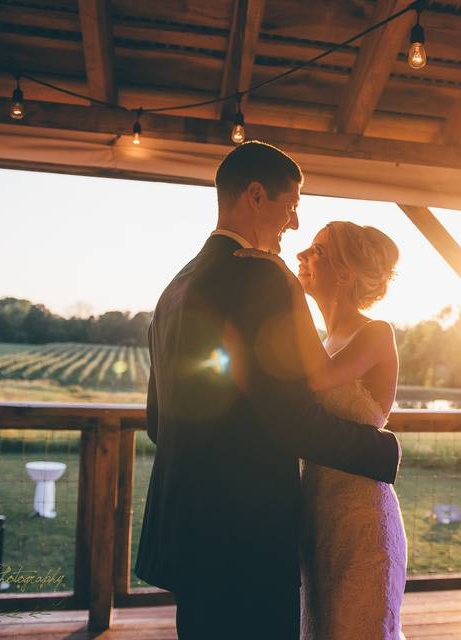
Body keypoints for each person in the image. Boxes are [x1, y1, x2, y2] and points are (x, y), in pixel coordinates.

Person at [134, 141, 402, 639]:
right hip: (246, 536)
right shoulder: (261, 277)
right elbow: (289, 417)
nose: (295, 223)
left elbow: (156, 420)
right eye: (292, 205)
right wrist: (382, 449)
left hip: (187, 533)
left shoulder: (175, 285)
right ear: (256, 196)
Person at [237, 221, 407, 639]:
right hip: (318, 514)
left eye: (316, 250)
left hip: (362, 520)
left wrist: (288, 288)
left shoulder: (376, 333)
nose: (301, 257)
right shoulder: (324, 339)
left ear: (346, 273)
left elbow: (318, 377)